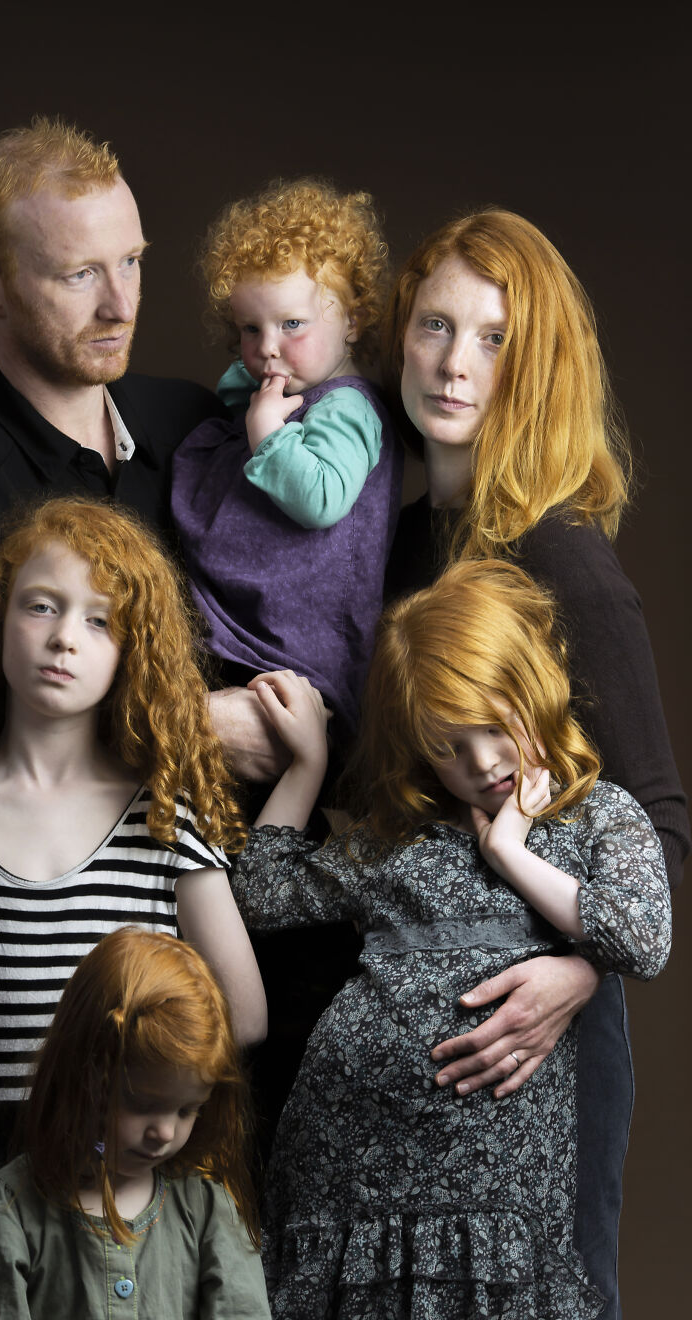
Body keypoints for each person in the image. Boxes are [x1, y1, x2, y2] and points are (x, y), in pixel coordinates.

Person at [380, 208, 689, 1316]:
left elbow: (657, 817)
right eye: (433, 326)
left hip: (542, 1032)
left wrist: (578, 972)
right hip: (426, 1027)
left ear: (540, 362)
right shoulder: (397, 539)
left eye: (494, 338)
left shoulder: (564, 558)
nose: (455, 364)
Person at [230, 561, 672, 1319]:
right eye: (448, 747)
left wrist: (511, 856)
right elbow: (262, 893)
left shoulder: (598, 817)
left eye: (495, 728)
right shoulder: (399, 837)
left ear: (532, 683)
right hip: (348, 1178)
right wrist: (307, 765)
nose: (483, 764)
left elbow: (642, 938)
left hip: (494, 1199)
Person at [0, 496, 267, 1319]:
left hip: (114, 1166)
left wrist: (124, 1075)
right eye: (41, 607)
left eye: (99, 622)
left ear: (133, 654)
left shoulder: (165, 825)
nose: (62, 639)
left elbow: (243, 1017)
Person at [0, 114, 280, 779]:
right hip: (84, 874)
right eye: (77, 276)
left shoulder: (194, 417)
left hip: (262, 846)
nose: (121, 306)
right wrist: (194, 728)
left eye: (131, 262)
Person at [171, 178, 402, 744]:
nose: (268, 347)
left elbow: (321, 498)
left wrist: (266, 431)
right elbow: (238, 389)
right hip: (240, 626)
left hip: (295, 643)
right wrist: (252, 403)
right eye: (251, 329)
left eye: (291, 324)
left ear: (350, 320)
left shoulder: (348, 407)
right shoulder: (284, 383)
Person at [0, 927, 271, 1319]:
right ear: (85, 1072)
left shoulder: (207, 1209)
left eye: (187, 1110)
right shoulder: (4, 1214)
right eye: (140, 1103)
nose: (164, 1133)